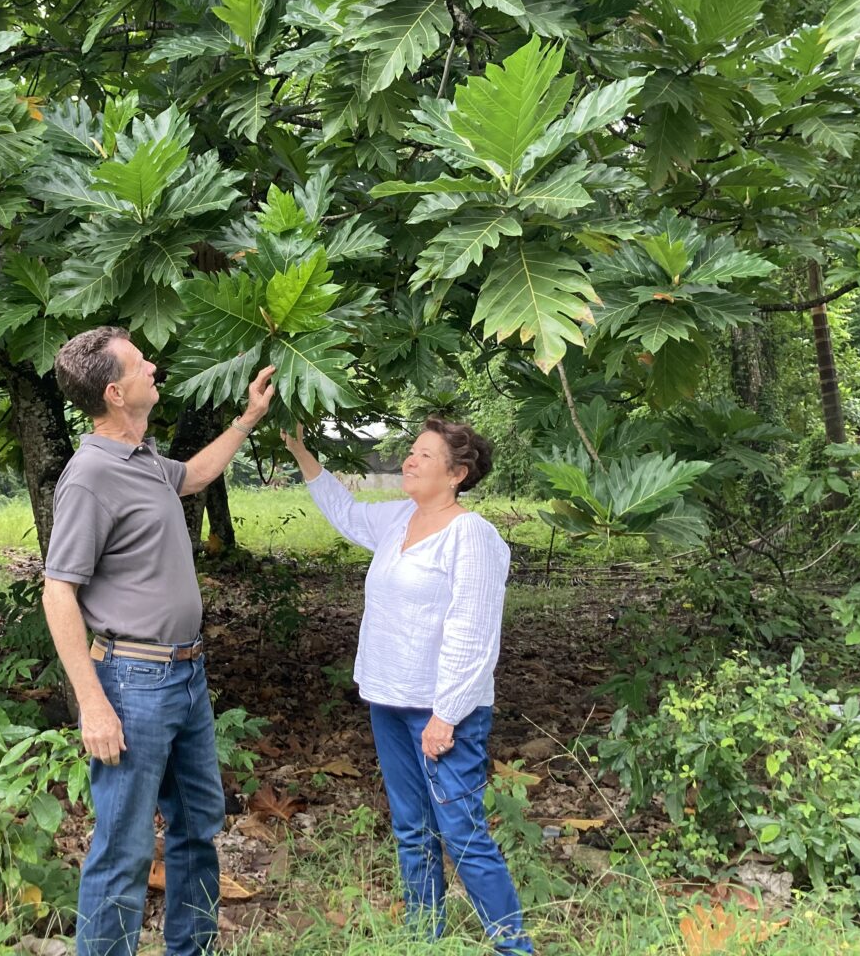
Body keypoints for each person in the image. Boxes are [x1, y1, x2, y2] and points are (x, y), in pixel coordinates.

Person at [42, 326, 275, 956]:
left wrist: (250, 417)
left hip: (187, 676)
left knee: (198, 826)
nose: (154, 367)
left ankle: (189, 948)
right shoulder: (91, 476)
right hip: (132, 681)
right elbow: (58, 592)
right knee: (123, 847)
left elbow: (195, 476)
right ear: (116, 393)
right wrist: (92, 704)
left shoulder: (144, 460)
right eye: (142, 363)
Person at [280, 418, 534, 956]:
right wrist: (301, 450)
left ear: (458, 473)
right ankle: (424, 938)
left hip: (441, 711)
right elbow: (346, 514)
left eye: (423, 455)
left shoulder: (471, 534)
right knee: (412, 830)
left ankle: (516, 947)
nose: (409, 461)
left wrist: (447, 715)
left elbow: (474, 630)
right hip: (388, 701)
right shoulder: (400, 518)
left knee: (462, 835)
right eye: (410, 452)